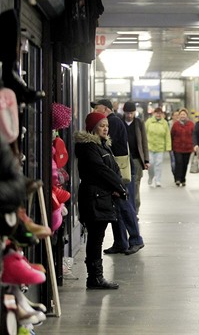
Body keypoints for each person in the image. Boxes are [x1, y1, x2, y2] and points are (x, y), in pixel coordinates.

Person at [74, 112, 127, 289]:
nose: (106, 128)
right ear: (93, 127)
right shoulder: (88, 147)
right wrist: (119, 187)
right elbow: (101, 170)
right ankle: (95, 278)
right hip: (93, 197)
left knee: (98, 237)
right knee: (96, 238)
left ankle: (96, 277)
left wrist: (117, 186)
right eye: (102, 125)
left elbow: (114, 169)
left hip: (103, 196)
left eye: (107, 125)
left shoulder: (104, 145)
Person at [92, 99, 144, 255]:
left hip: (119, 171)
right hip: (114, 170)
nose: (95, 110)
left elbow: (107, 144)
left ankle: (136, 240)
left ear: (106, 109)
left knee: (124, 205)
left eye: (97, 108)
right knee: (117, 208)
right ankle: (121, 242)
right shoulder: (113, 120)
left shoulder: (112, 122)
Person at [122, 101, 149, 212]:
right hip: (123, 159)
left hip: (137, 158)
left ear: (135, 112)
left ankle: (135, 209)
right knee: (124, 182)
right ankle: (125, 207)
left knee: (136, 183)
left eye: (131, 113)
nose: (129, 115)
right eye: (127, 113)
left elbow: (144, 142)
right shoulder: (120, 122)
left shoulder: (139, 123)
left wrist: (146, 160)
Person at [145, 107, 171, 188]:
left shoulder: (165, 123)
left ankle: (158, 180)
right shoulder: (149, 122)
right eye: (157, 113)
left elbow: (167, 135)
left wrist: (168, 146)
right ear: (154, 113)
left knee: (158, 164)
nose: (158, 114)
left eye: (160, 113)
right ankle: (151, 176)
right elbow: (144, 133)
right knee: (151, 164)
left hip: (160, 147)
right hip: (150, 147)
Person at [170, 108, 195, 187]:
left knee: (185, 164)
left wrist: (194, 145)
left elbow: (193, 135)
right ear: (179, 116)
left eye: (184, 114)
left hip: (188, 148)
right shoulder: (175, 124)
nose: (182, 116)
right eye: (181, 114)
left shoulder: (191, 124)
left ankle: (183, 179)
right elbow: (172, 135)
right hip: (177, 147)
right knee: (179, 162)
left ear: (187, 115)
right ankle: (177, 179)